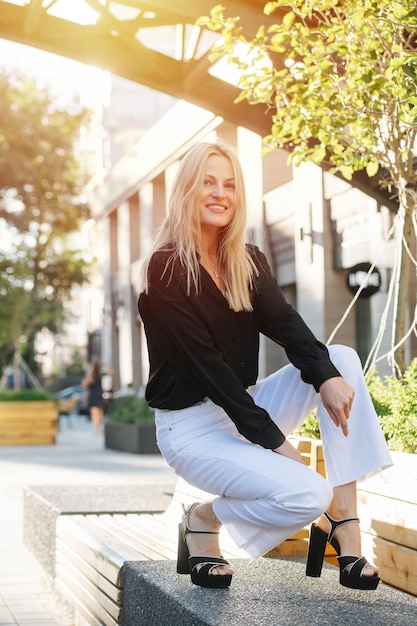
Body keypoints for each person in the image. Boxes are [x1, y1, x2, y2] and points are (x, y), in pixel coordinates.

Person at [138, 142, 392, 590]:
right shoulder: (166, 269)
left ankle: (345, 524)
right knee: (308, 492)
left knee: (341, 360)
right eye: (208, 182)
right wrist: (279, 446)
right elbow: (210, 372)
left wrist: (326, 377)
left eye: (230, 184)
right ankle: (201, 520)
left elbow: (288, 326)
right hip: (191, 430)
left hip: (244, 407)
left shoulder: (247, 259)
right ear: (187, 190)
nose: (220, 193)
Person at [82, 360, 113, 433]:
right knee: (99, 410)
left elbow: (84, 385)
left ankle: (96, 427)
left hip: (92, 395)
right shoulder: (100, 374)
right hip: (99, 395)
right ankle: (98, 426)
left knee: (94, 411)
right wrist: (106, 363)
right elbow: (111, 372)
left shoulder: (90, 376)